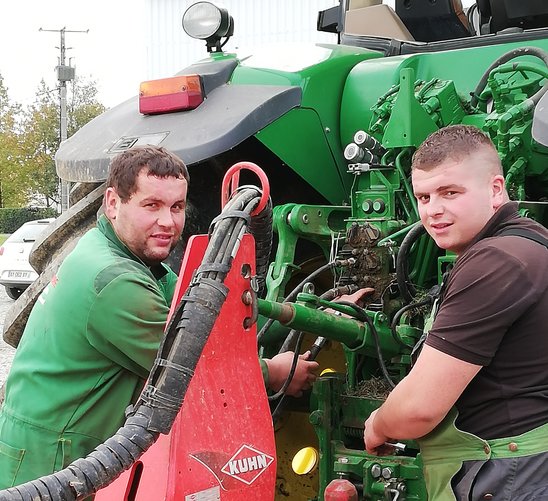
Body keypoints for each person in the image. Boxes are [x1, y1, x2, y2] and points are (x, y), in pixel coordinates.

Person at [0, 145, 317, 489]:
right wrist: (277, 372)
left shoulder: (120, 253)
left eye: (177, 206)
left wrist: (314, 316)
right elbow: (194, 371)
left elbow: (210, 329)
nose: (168, 222)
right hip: (52, 462)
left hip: (56, 446)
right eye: (151, 205)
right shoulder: (116, 280)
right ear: (112, 202)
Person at [363, 125, 548, 500]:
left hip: (508, 477)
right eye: (424, 197)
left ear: (496, 189)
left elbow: (418, 409)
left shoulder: (494, 262)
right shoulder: (531, 242)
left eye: (450, 193)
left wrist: (379, 424)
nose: (433, 210)